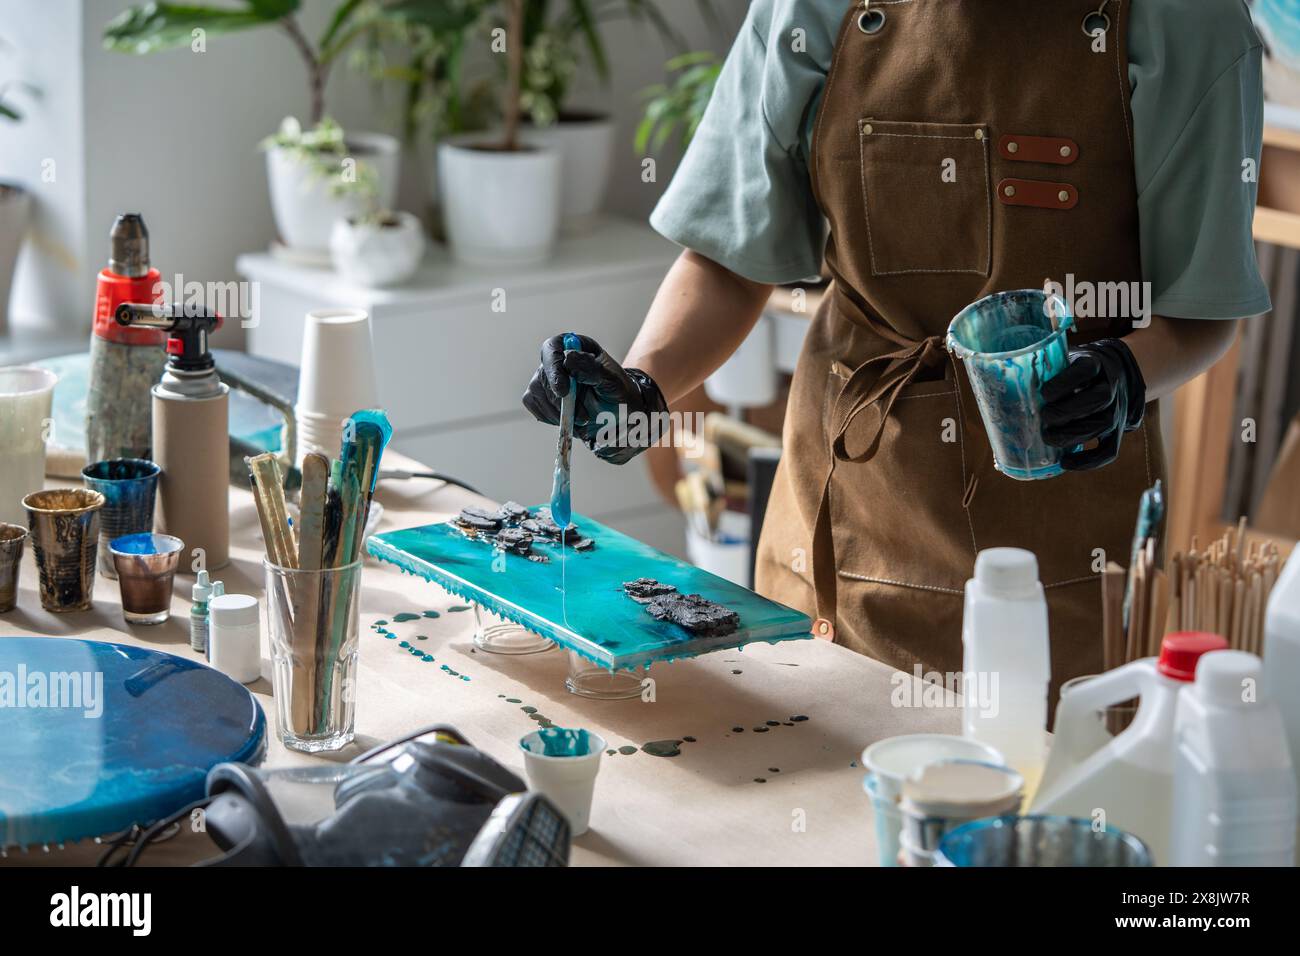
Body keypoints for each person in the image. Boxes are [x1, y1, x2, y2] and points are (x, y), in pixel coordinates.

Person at [522, 0, 1269, 699]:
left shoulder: (1185, 19)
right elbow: (730, 256)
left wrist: (1125, 374)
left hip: (1058, 546)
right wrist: (641, 387)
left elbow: (1199, 307)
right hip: (839, 512)